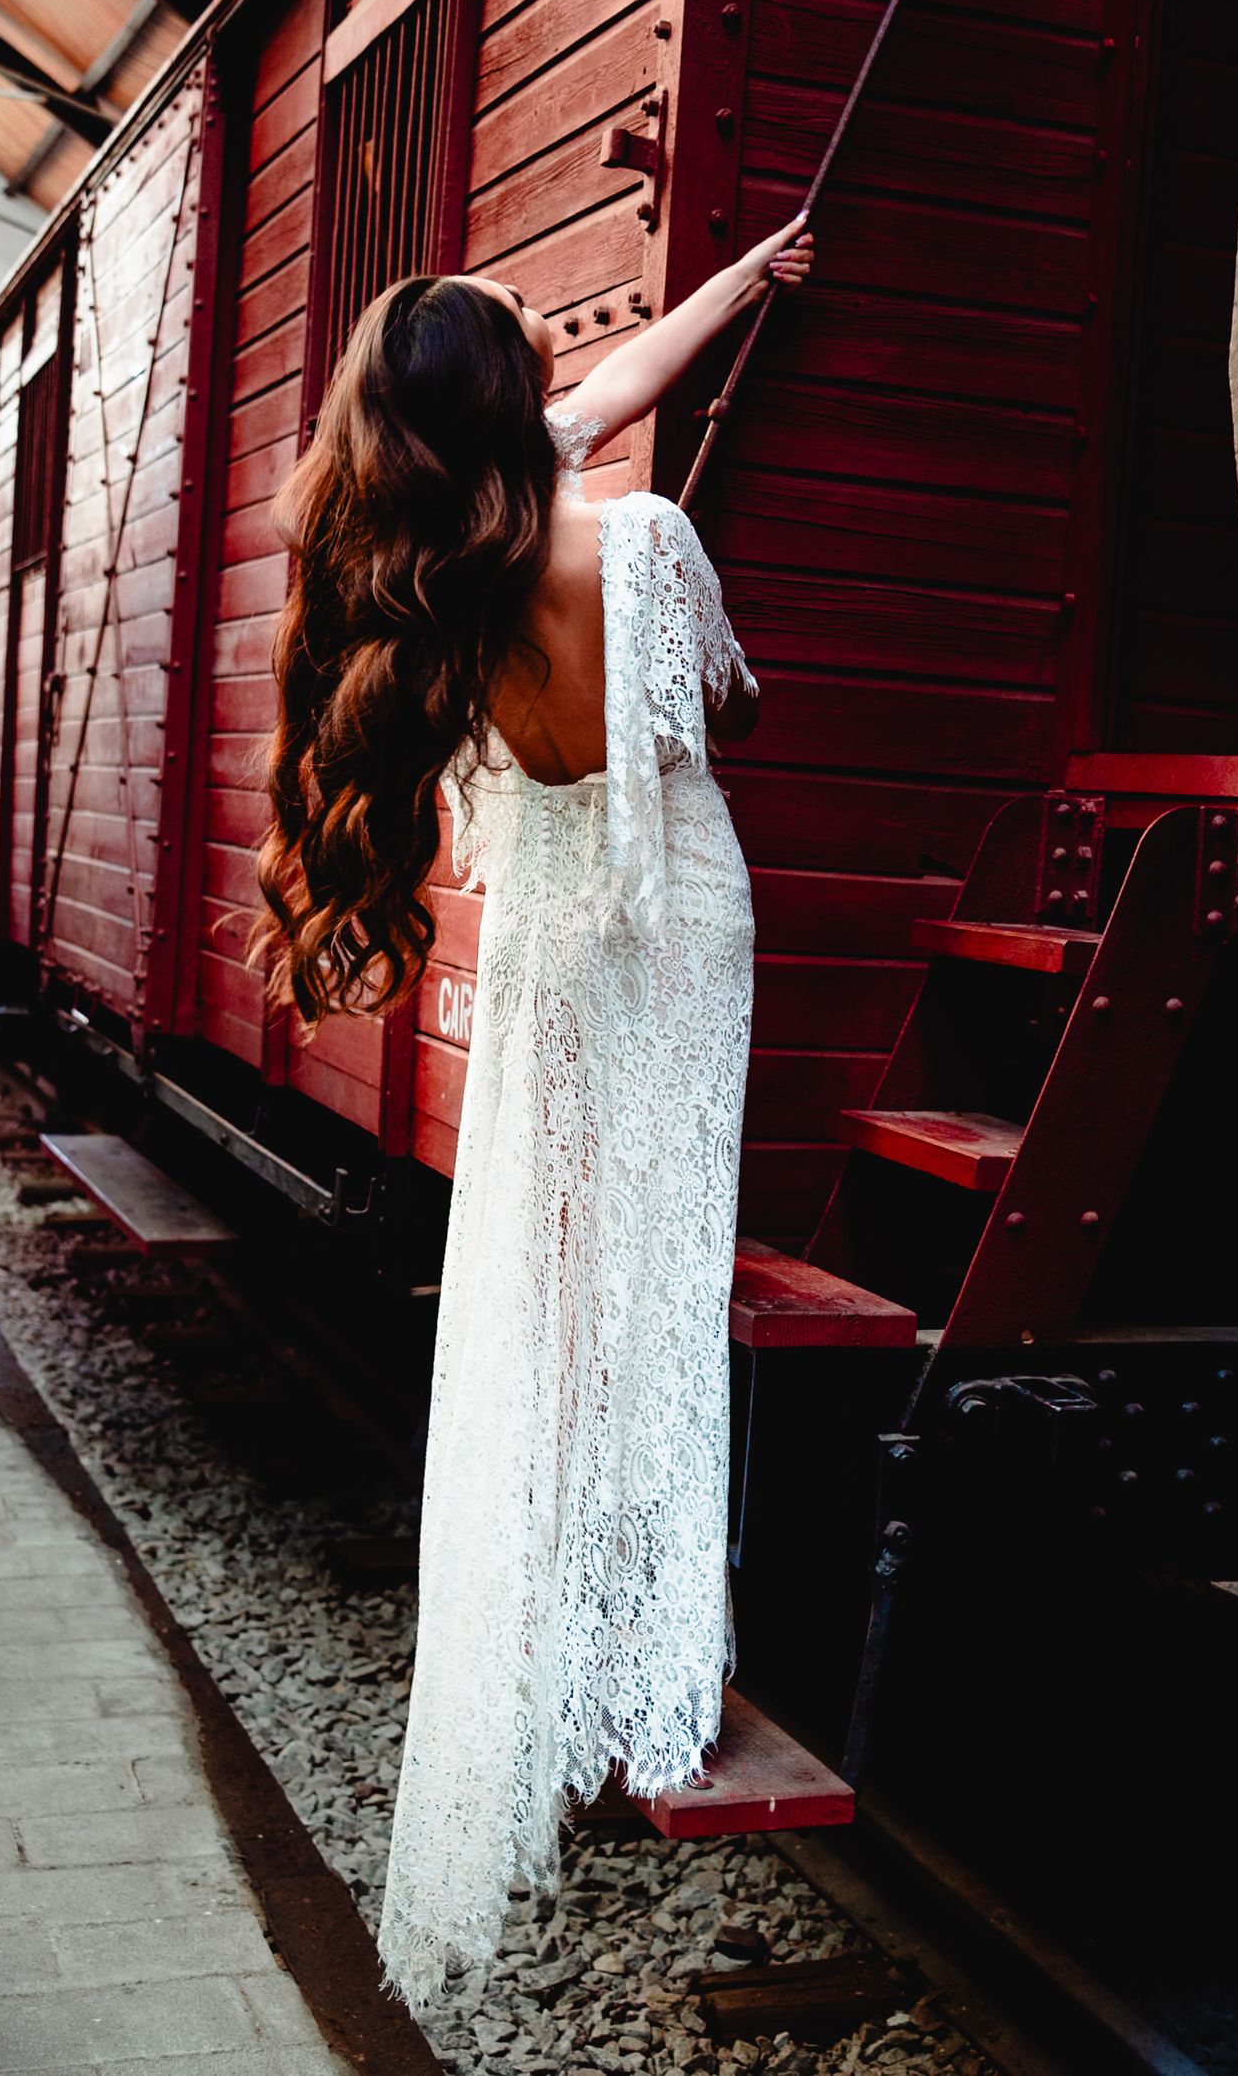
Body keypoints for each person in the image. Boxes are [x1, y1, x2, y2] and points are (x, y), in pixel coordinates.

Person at [249, 211, 814, 2012]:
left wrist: (737, 288)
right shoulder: (628, 539)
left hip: (556, 937)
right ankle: (647, 1643)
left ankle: (552, 1615)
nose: (563, 351)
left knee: (545, 1284)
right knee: (652, 1287)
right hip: (672, 942)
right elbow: (698, 716)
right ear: (508, 393)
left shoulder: (444, 550)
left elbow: (624, 384)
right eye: (531, 337)